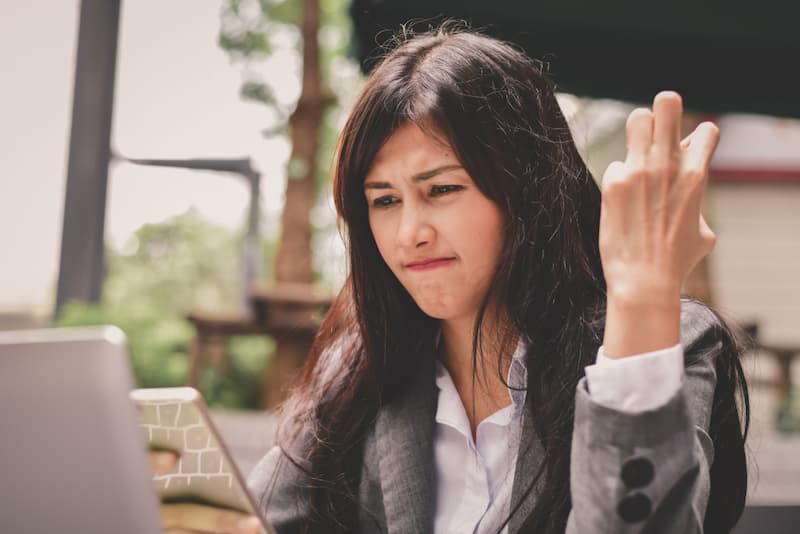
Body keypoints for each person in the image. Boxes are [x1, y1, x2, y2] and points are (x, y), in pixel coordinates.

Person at [153, 22, 750, 533]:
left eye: (441, 190)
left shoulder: (662, 339)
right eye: (384, 201)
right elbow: (267, 517)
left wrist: (643, 297)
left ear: (526, 191)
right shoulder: (359, 368)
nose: (409, 231)